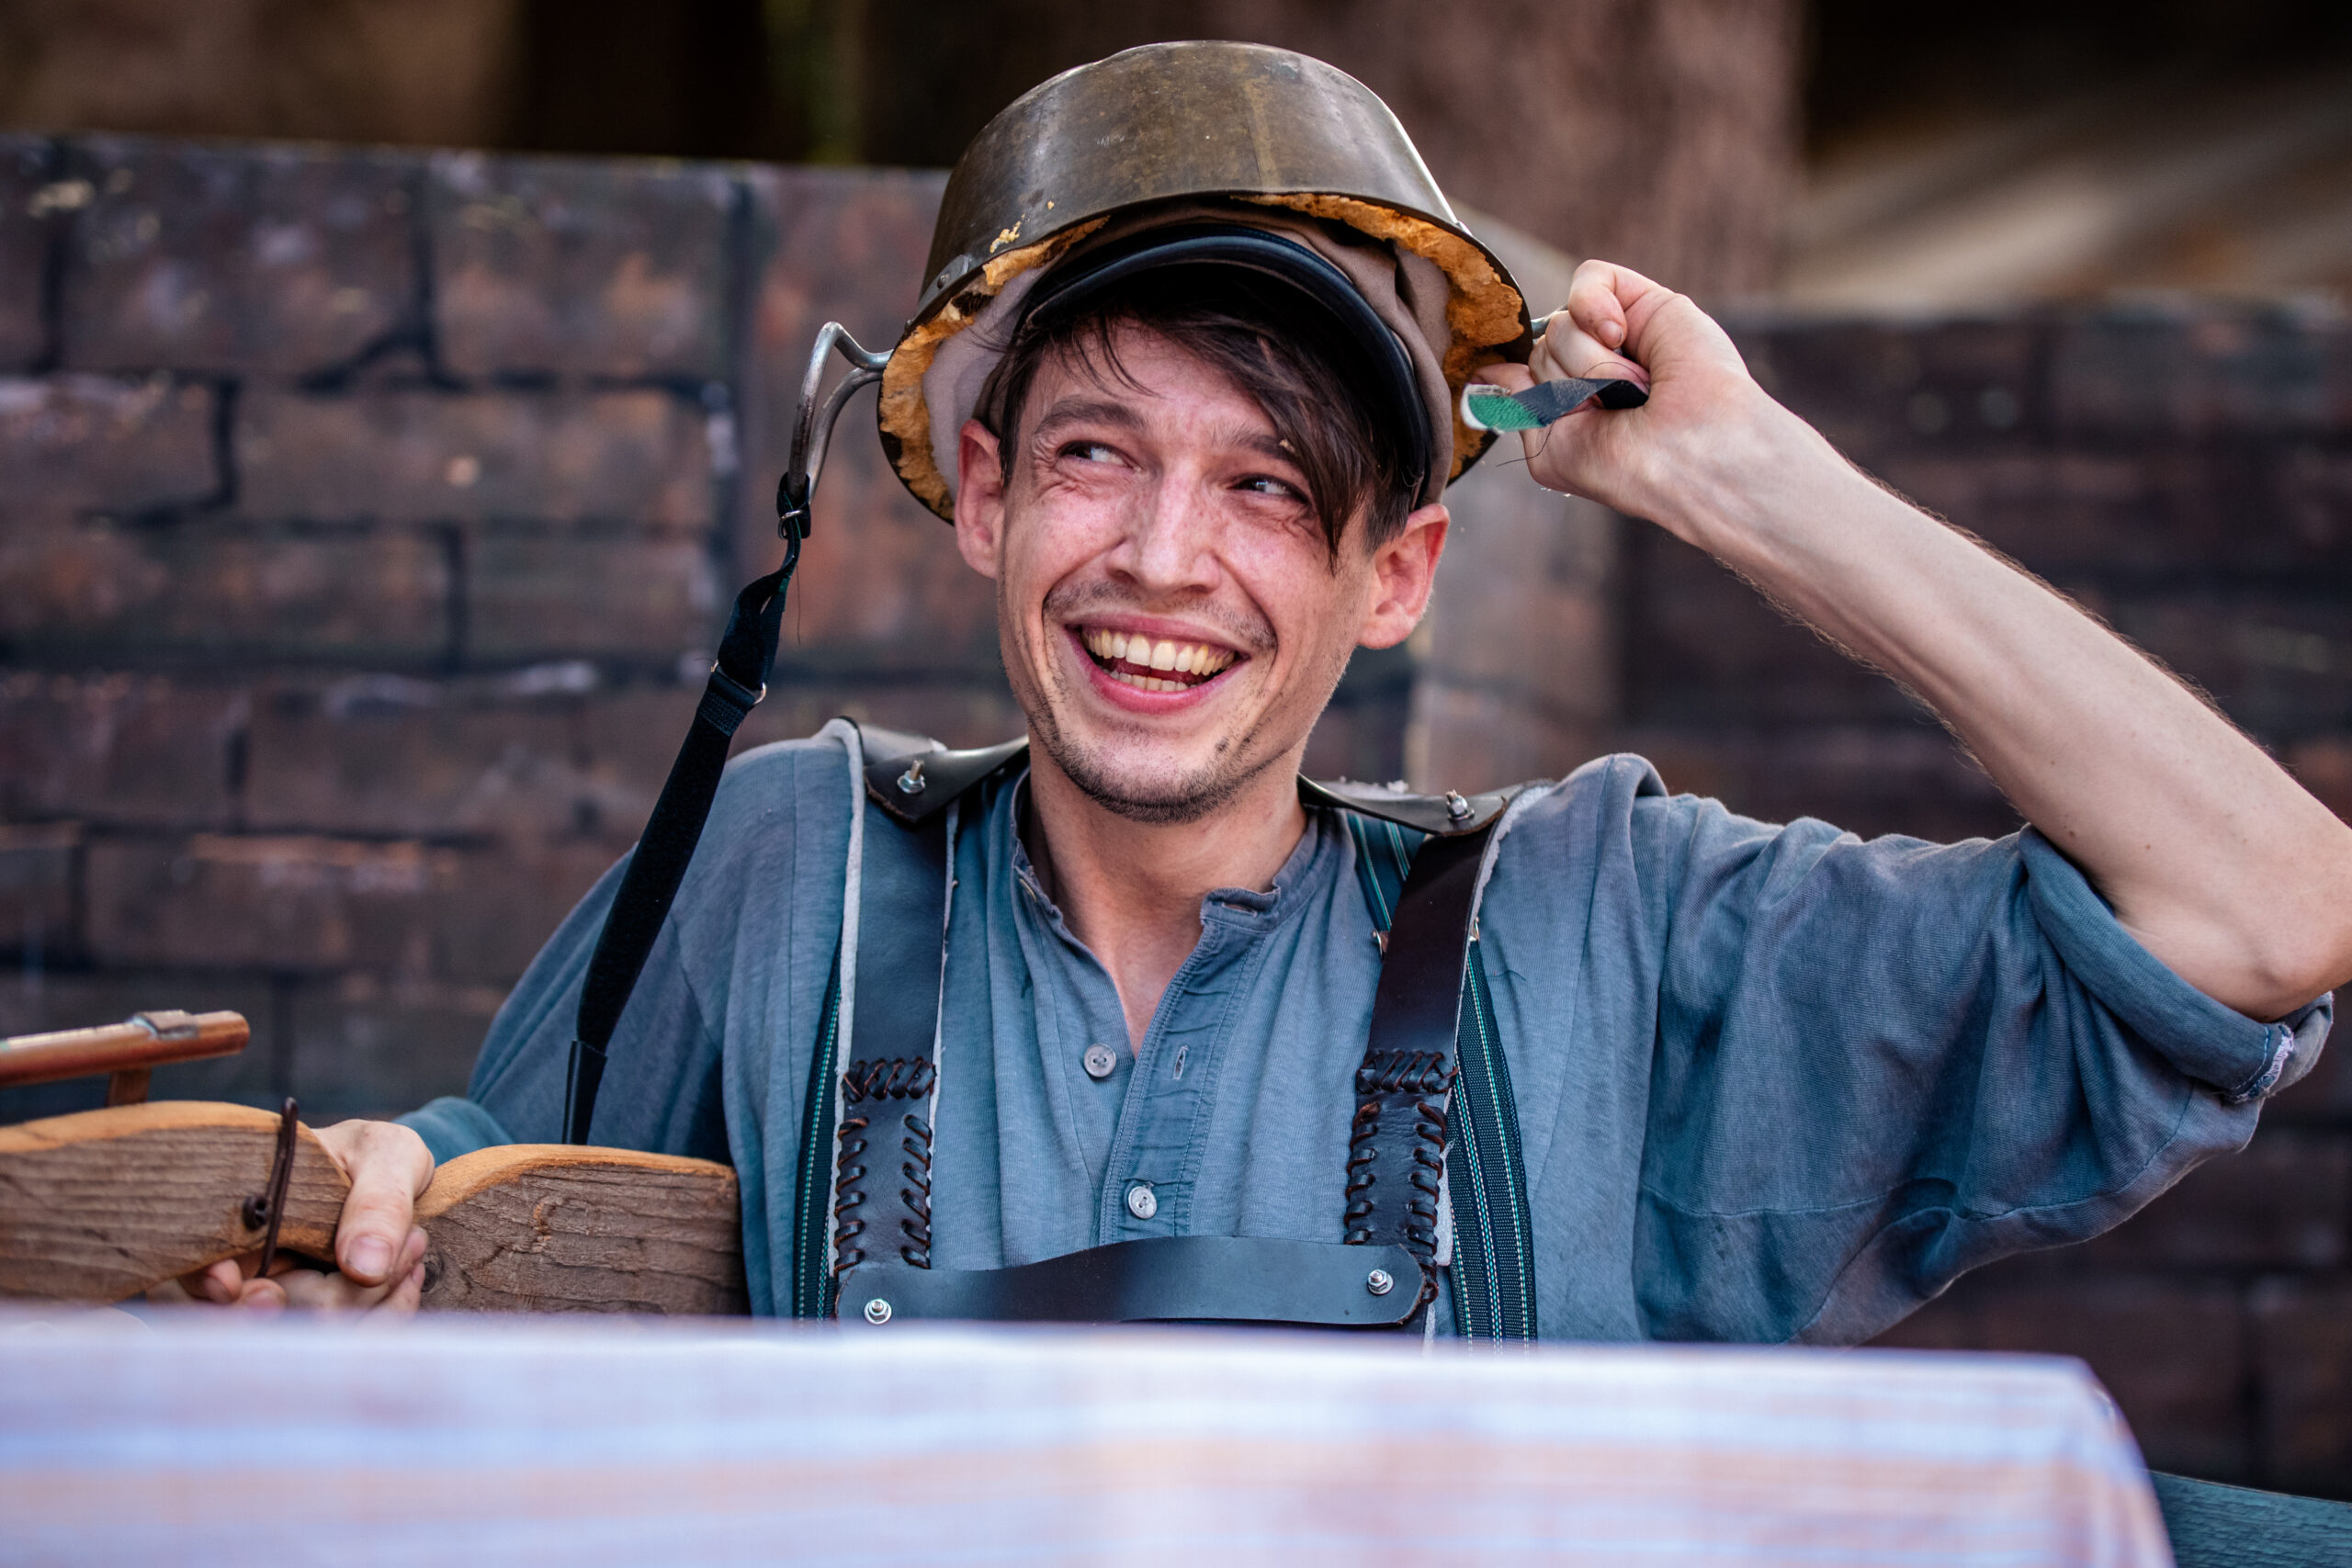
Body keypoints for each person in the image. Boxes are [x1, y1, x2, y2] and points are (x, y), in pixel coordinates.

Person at [198, 42, 2345, 1338]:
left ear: (1391, 569)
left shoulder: (1616, 933)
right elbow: (485, 1223)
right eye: (1091, 455)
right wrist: (378, 1205)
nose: (1156, 559)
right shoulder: (790, 872)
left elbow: (2264, 908)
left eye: (1267, 485)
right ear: (977, 494)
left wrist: (1752, 484)